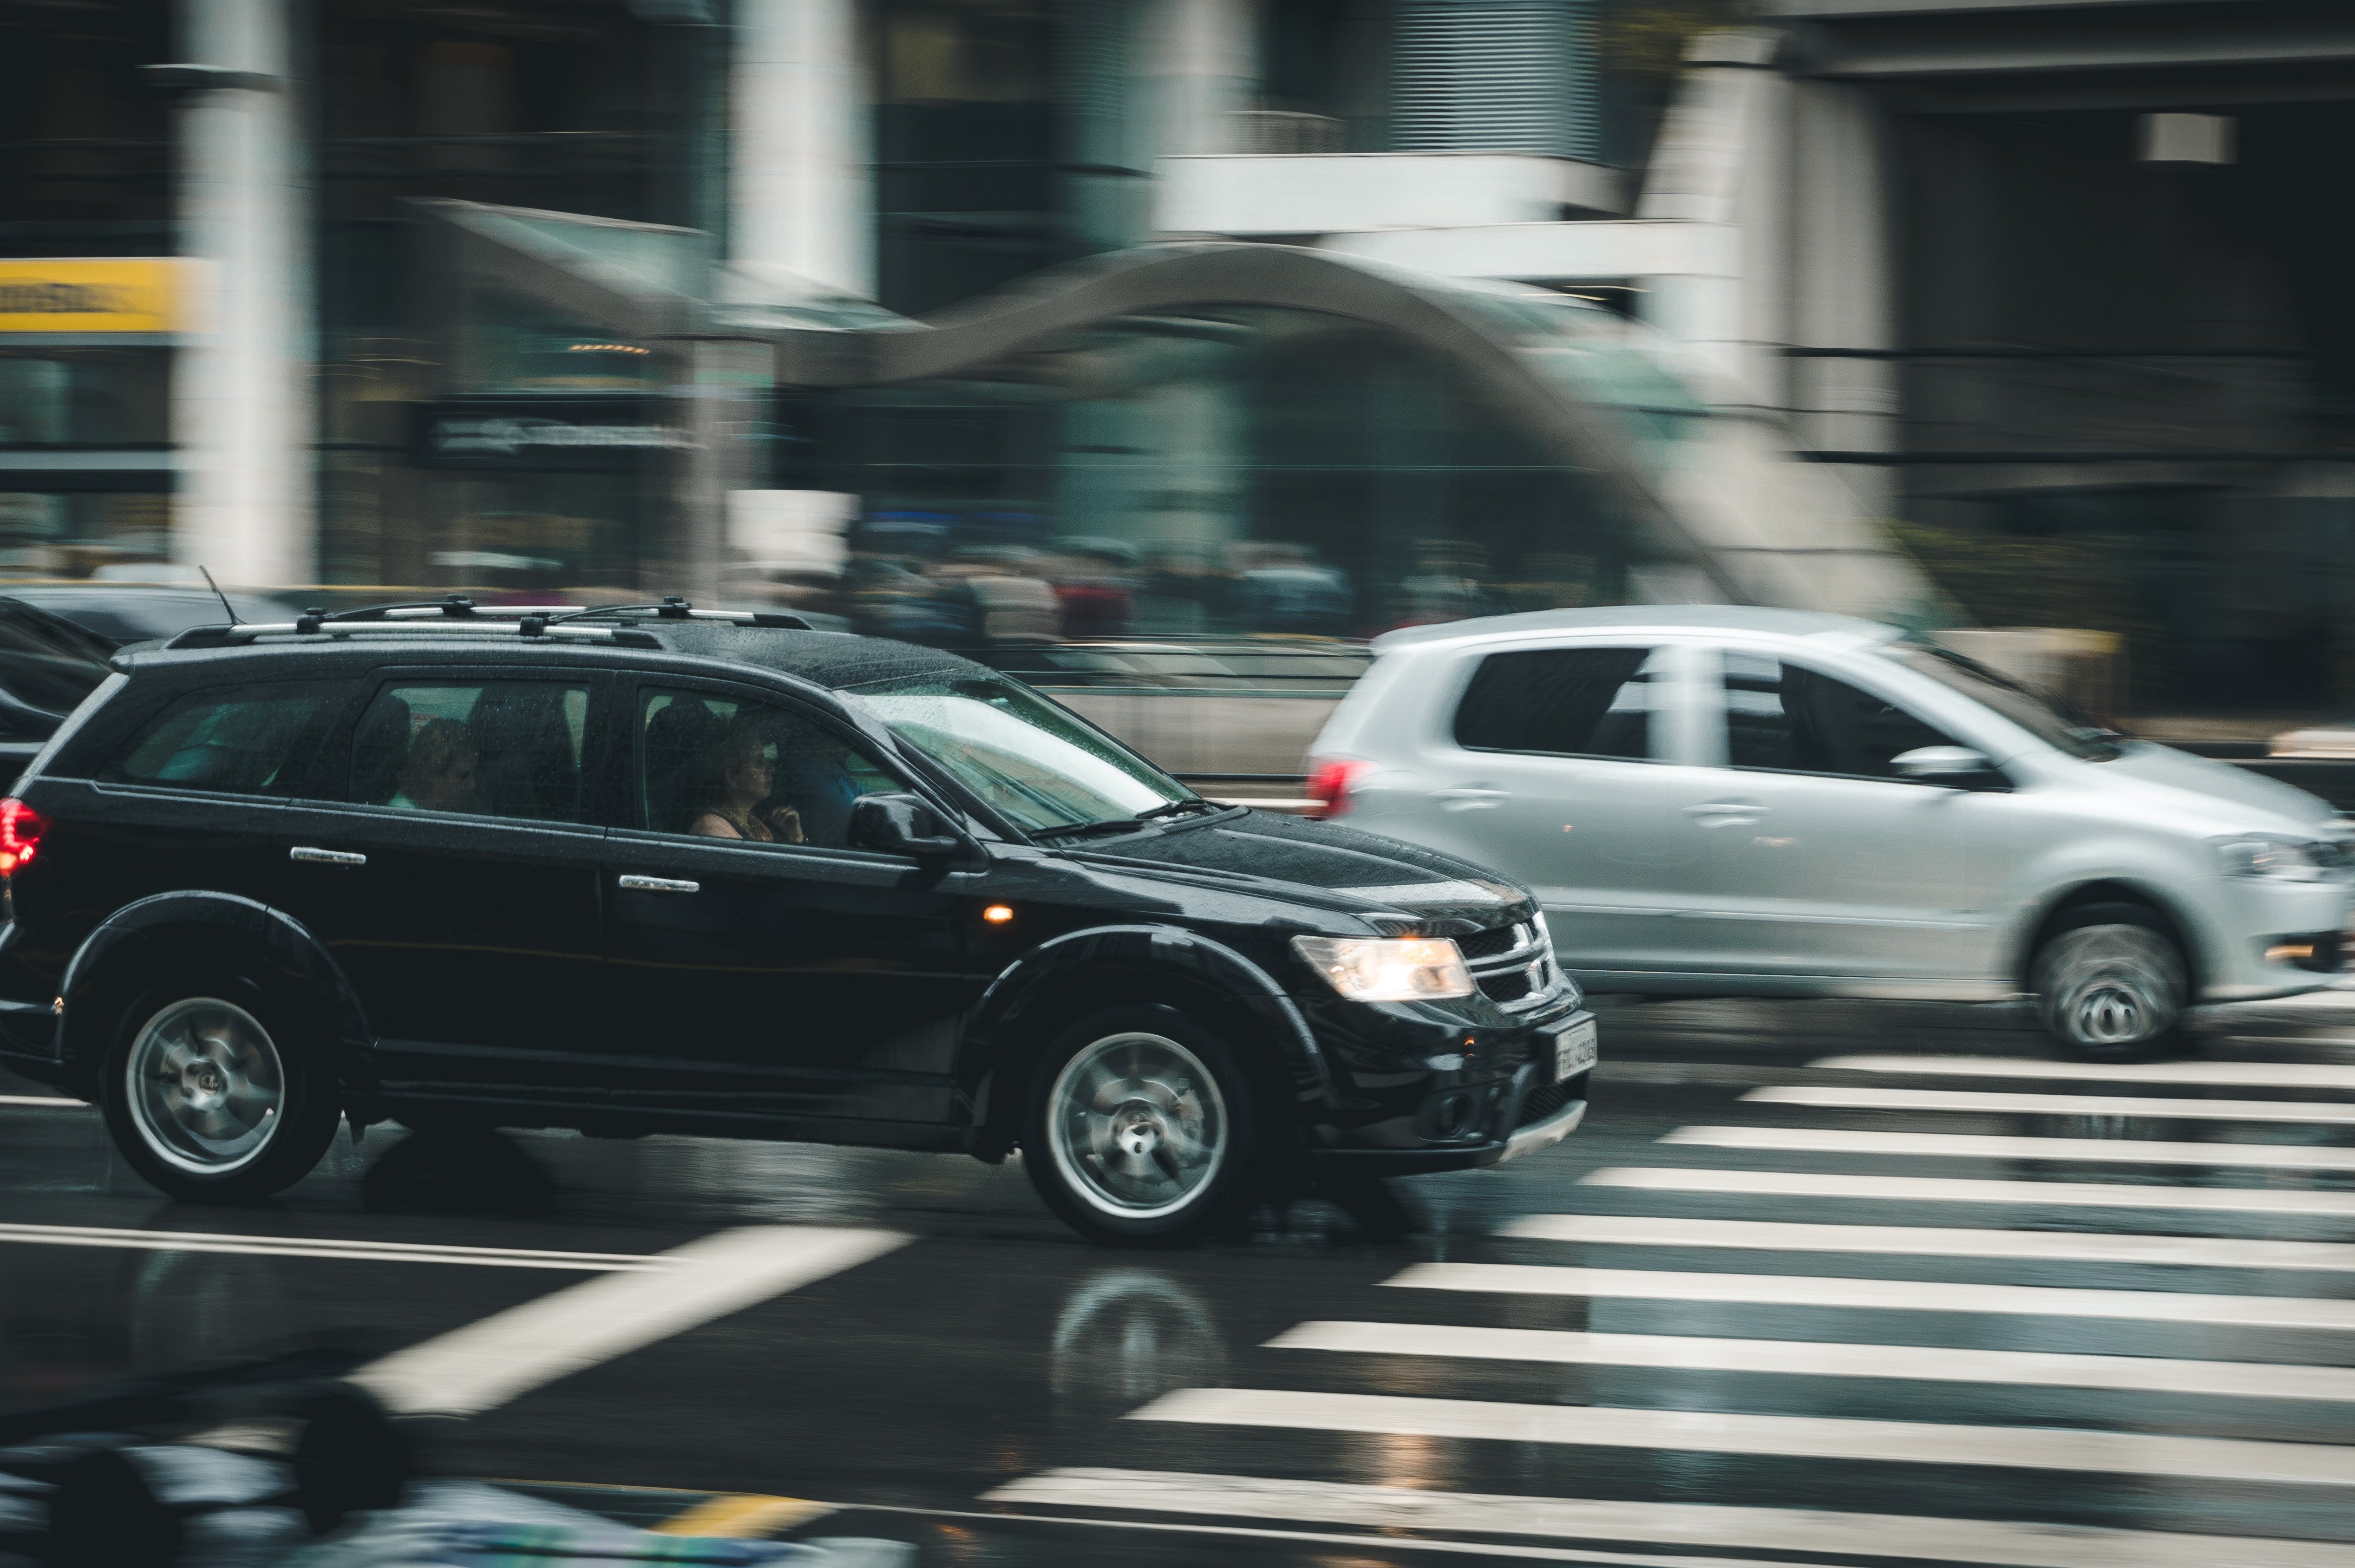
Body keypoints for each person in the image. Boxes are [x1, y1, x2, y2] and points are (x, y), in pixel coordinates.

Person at [688, 719, 805, 843]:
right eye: (759, 762)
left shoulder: (753, 824)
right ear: (733, 777)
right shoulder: (714, 831)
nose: (771, 768)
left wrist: (794, 838)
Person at [388, 718, 477, 813]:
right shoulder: (404, 816)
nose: (472, 785)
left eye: (473, 775)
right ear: (431, 774)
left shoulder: (441, 810)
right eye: (463, 776)